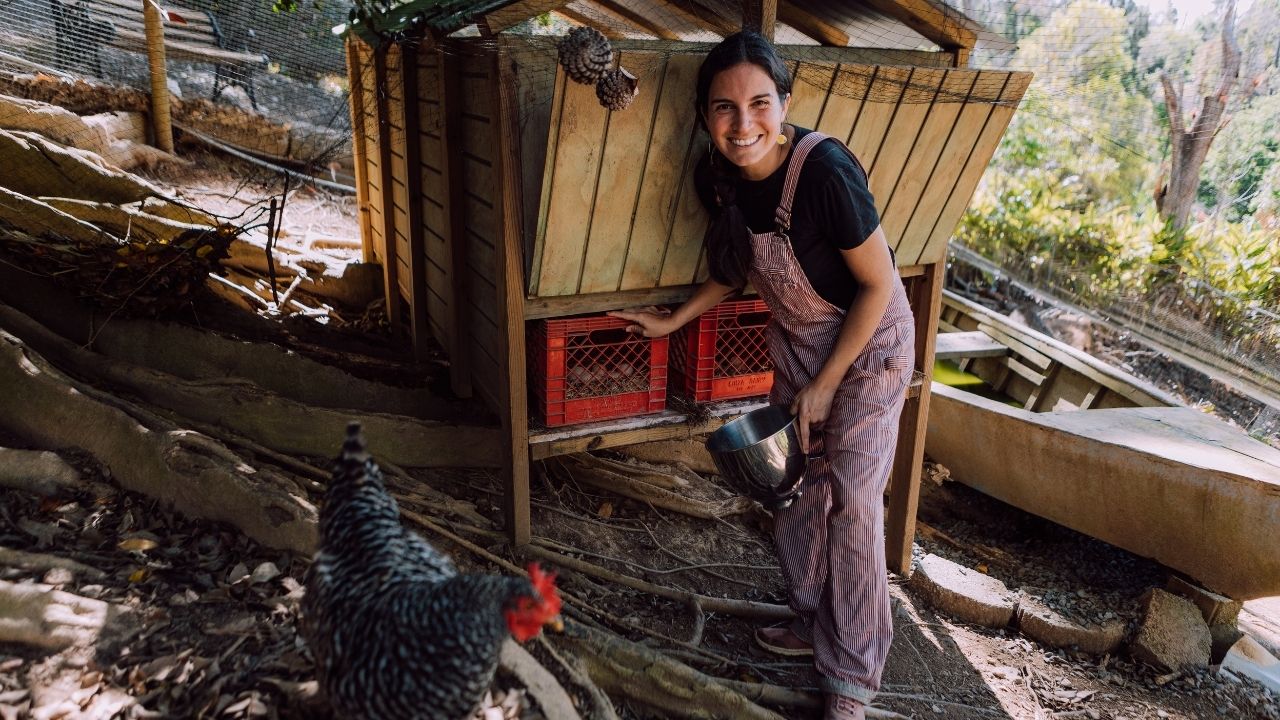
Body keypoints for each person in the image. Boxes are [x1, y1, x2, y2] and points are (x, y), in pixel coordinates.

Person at [608, 30, 916, 720]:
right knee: (799, 492)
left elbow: (875, 287)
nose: (742, 124)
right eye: (723, 108)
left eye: (758, 104)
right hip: (804, 345)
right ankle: (813, 621)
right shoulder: (721, 178)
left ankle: (852, 678)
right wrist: (673, 320)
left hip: (869, 347)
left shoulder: (826, 172)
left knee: (856, 502)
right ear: (703, 116)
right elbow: (740, 268)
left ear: (783, 103)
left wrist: (829, 383)